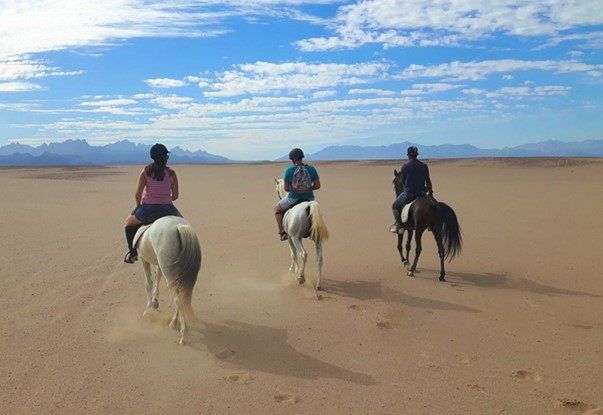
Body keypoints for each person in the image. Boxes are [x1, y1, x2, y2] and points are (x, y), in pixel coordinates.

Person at [123, 143, 181, 263]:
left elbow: (138, 193)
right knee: (185, 227)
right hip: (167, 209)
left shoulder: (146, 171)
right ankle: (183, 255)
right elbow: (175, 196)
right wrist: (166, 199)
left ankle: (132, 253)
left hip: (148, 209)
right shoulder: (171, 173)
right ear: (165, 157)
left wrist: (137, 206)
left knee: (129, 224)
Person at [274, 148, 321, 241]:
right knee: (316, 211)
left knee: (277, 209)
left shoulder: (289, 170)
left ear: (293, 159)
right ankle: (315, 231)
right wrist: (308, 189)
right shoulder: (311, 169)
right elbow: (317, 186)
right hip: (310, 199)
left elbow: (286, 189)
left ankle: (282, 232)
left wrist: (296, 190)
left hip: (293, 198)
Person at [392, 145, 433, 234]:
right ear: (417, 155)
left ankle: (399, 226)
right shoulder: (424, 166)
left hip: (409, 193)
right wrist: (431, 193)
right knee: (434, 205)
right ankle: (431, 224)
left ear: (408, 155)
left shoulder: (405, 166)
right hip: (422, 193)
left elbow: (403, 181)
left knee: (394, 206)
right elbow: (428, 181)